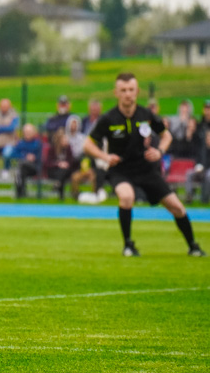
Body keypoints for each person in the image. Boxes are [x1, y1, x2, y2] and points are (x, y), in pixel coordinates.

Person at [83, 72, 204, 257]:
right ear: (116, 92)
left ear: (137, 91)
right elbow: (88, 145)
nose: (127, 94)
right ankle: (128, 246)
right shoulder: (108, 119)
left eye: (131, 89)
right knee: (126, 196)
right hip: (121, 170)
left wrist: (160, 152)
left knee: (177, 207)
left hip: (146, 169)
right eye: (123, 90)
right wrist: (105, 157)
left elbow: (166, 136)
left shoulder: (146, 115)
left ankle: (193, 246)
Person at [13, 123, 42, 199]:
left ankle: (19, 192)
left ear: (34, 133)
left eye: (29, 132)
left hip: (35, 167)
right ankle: (22, 193)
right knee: (21, 170)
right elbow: (15, 154)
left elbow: (41, 156)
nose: (27, 134)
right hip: (24, 169)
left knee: (20, 168)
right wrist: (25, 156)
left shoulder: (38, 143)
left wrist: (34, 157)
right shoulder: (20, 143)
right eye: (26, 132)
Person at [44, 128, 75, 201]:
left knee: (63, 171)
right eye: (64, 139)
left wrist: (65, 164)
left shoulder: (68, 148)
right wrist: (58, 164)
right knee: (61, 171)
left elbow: (71, 161)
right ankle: (61, 194)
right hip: (54, 171)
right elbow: (47, 163)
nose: (66, 140)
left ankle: (58, 184)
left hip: (66, 171)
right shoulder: (52, 149)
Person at [184, 127, 210, 204]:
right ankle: (189, 196)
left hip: (208, 171)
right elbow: (197, 158)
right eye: (208, 136)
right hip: (200, 170)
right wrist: (198, 166)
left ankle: (204, 199)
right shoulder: (201, 148)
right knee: (189, 173)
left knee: (208, 176)